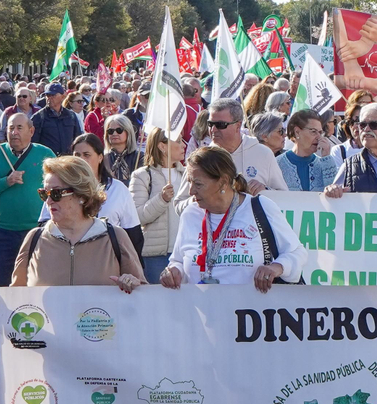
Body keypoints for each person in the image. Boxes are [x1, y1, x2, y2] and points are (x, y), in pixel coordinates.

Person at [0, 154, 146, 313]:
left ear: (82, 195)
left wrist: (133, 284)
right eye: (44, 194)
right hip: (47, 335)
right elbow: (16, 298)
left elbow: (145, 296)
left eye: (56, 193)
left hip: (102, 334)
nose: (49, 201)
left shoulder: (115, 237)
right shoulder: (34, 239)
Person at [162, 146, 308, 289]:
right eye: (190, 182)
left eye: (198, 184)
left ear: (223, 182)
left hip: (249, 304)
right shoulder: (190, 214)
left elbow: (297, 253)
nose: (191, 191)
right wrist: (174, 271)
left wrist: (276, 267)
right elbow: (178, 261)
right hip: (200, 304)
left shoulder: (260, 207)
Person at [0, 112, 53, 289]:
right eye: (10, 128)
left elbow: (58, 187)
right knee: (4, 284)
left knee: (38, 283)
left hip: (37, 230)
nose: (14, 132)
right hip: (4, 232)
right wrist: (6, 181)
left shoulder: (45, 153)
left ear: (31, 131)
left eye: (19, 128)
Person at [69, 134, 143, 253]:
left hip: (108, 258)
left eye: (86, 155)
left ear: (100, 157)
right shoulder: (62, 188)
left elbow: (133, 235)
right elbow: (46, 224)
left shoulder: (118, 189)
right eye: (77, 155)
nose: (81, 160)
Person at [130, 128, 186, 285]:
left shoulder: (189, 174)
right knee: (158, 299)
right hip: (156, 256)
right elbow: (137, 216)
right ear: (162, 147)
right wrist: (161, 199)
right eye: (178, 141)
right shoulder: (141, 176)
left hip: (185, 253)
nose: (184, 145)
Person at [278, 110, 337, 193]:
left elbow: (334, 193)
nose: (319, 137)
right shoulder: (277, 164)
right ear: (297, 132)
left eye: (320, 132)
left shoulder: (325, 164)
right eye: (313, 131)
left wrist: (326, 157)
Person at [30, 82, 82, 156]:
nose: (49, 98)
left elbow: (78, 138)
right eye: (48, 95)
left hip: (68, 159)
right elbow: (33, 143)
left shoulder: (71, 116)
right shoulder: (39, 117)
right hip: (48, 159)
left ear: (62, 97)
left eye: (53, 95)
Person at [103, 114, 141, 188]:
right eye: (110, 131)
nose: (114, 134)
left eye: (119, 130)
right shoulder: (102, 158)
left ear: (128, 131)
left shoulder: (140, 157)